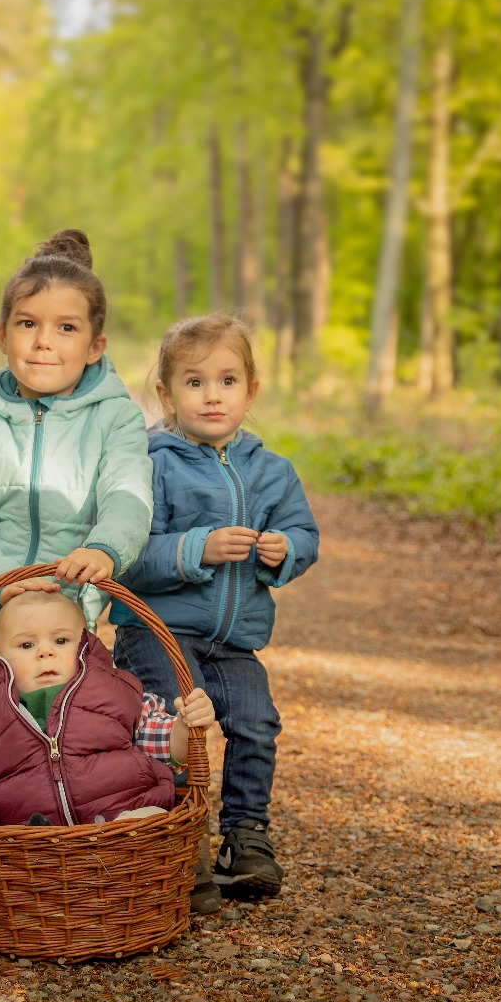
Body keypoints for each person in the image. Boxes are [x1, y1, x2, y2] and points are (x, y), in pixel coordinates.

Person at [0, 230, 154, 908]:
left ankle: (21, 836)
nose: (44, 341)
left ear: (95, 345)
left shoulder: (117, 421)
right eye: (28, 324)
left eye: (65, 327)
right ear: (2, 334)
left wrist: (104, 547)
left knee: (15, 704)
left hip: (60, 611)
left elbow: (129, 494)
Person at [115, 315, 318, 906]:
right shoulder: (152, 464)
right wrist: (192, 549)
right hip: (158, 632)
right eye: (194, 381)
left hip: (235, 639)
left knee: (256, 724)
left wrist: (285, 551)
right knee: (178, 727)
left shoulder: (272, 471)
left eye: (227, 380)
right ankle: (178, 846)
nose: (211, 395)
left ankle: (245, 836)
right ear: (166, 394)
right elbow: (127, 557)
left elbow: (303, 532)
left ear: (250, 391)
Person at [0, 584, 215, 843]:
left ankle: (134, 843)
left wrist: (184, 727)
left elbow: (166, 745)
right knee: (11, 838)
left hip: (122, 824)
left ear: (86, 646)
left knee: (146, 821)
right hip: (34, 843)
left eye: (61, 640)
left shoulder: (119, 697)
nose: (45, 652)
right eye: (26, 644)